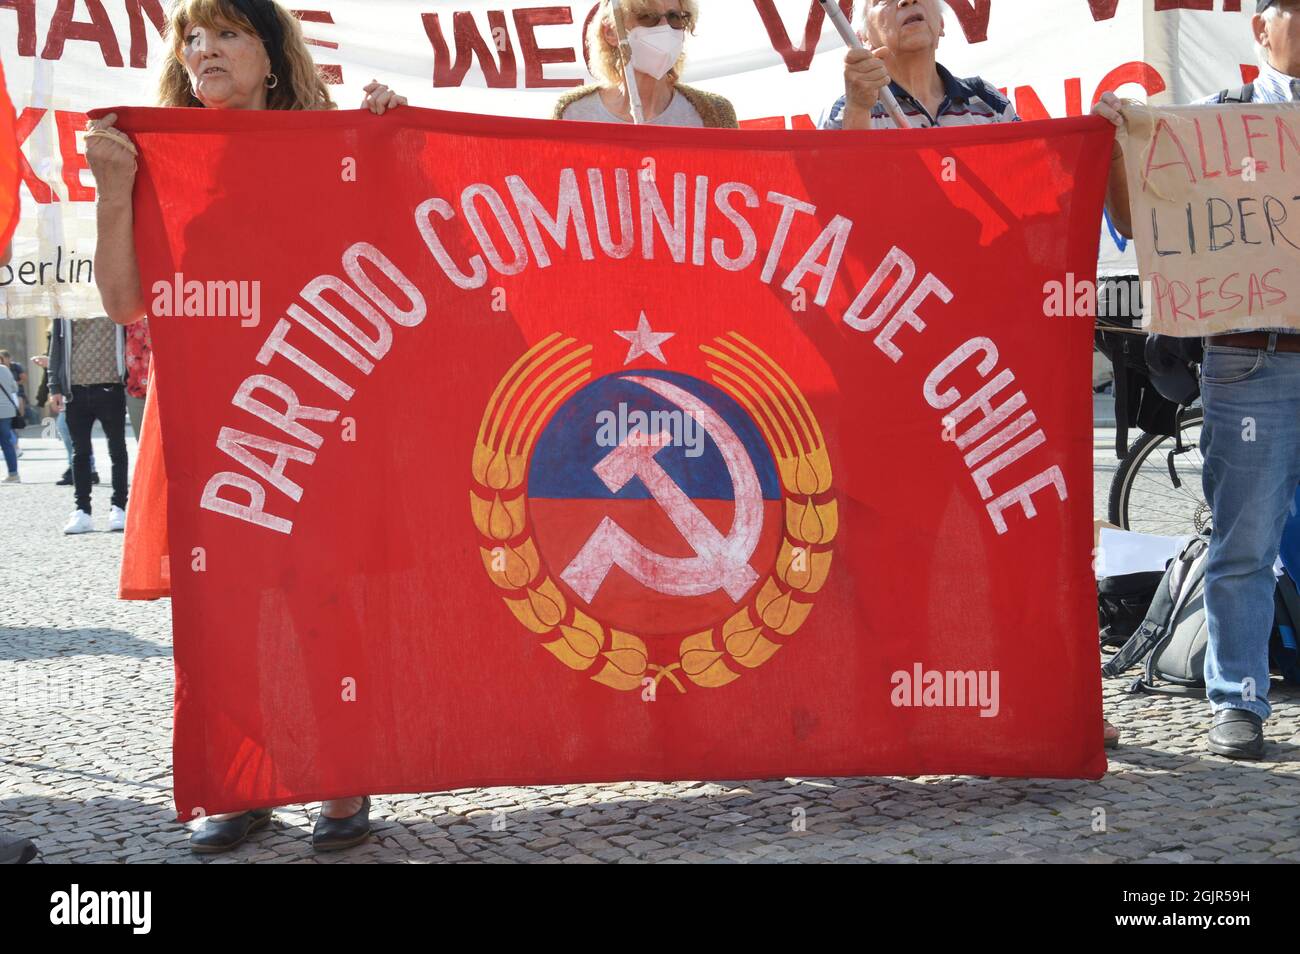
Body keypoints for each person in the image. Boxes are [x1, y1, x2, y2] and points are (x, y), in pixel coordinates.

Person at [86, 0, 406, 853]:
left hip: (310, 413)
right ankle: (243, 781)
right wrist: (112, 190)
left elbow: (400, 245)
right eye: (192, 36)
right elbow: (125, 302)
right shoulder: (161, 154)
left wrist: (392, 138)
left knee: (320, 600)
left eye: (227, 32)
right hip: (208, 419)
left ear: (272, 57)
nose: (204, 49)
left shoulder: (332, 144)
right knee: (221, 606)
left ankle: (343, 781)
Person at [1093, 0, 1300, 760]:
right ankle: (1238, 697)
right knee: (1243, 541)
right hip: (1251, 357)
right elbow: (1139, 221)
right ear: (1261, 30)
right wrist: (1122, 146)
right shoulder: (1214, 124)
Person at [819, 0, 1019, 131]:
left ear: (941, 24)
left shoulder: (987, 101)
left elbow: (1035, 179)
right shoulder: (848, 109)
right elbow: (836, 188)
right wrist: (858, 111)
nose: (907, 0)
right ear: (864, 39)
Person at [555, 0, 738, 128]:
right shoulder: (573, 113)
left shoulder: (715, 114)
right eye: (648, 17)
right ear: (611, 32)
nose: (665, 27)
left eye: (675, 18)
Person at [47, 315, 130, 534]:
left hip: (112, 385)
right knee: (80, 452)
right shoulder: (66, 304)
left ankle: (119, 506)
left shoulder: (114, 298)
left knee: (117, 449)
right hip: (76, 389)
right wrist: (54, 386)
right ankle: (82, 510)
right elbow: (56, 345)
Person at [30, 350, 98, 486]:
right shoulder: (56, 337)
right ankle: (84, 469)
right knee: (70, 431)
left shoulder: (64, 334)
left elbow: (73, 360)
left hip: (76, 389)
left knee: (68, 430)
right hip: (68, 390)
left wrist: (50, 362)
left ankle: (81, 469)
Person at [0, 358, 19, 483]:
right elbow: (14, 388)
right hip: (6, 410)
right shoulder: (4, 369)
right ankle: (14, 474)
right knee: (7, 443)